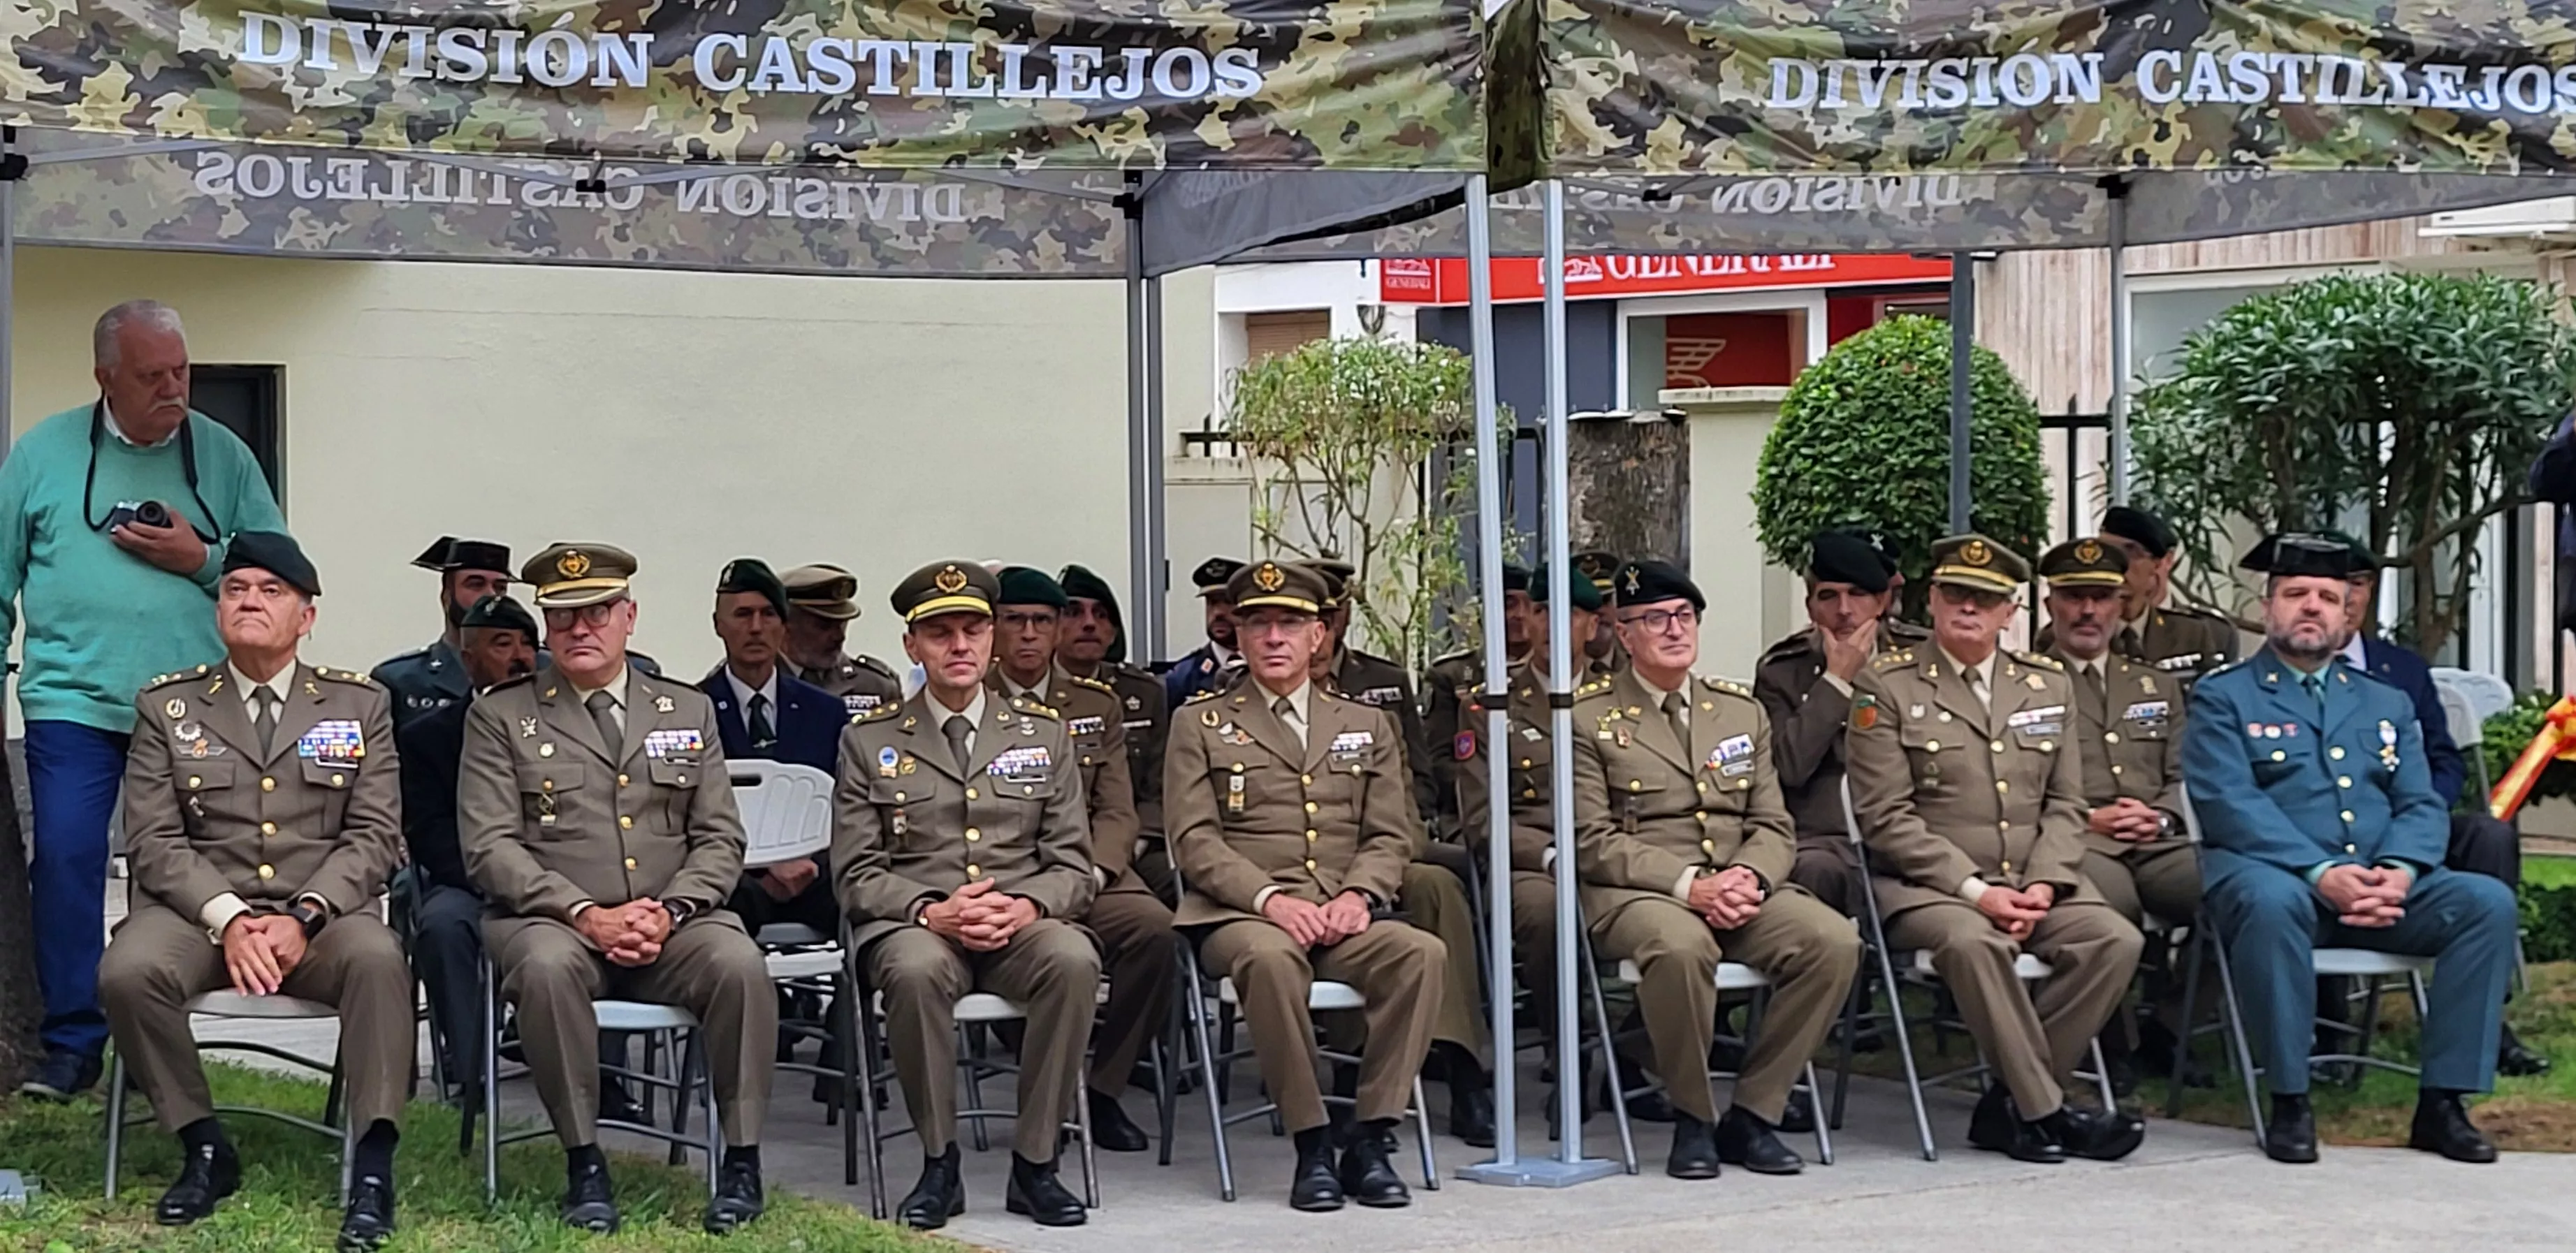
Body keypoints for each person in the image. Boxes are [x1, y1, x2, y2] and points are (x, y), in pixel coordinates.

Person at [3, 300, 286, 1100]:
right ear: (105, 379)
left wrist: (204, 558)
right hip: (72, 702)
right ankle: (71, 1042)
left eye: (182, 371)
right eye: (151, 375)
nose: (173, 388)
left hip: (194, 709)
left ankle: (149, 1031)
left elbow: (282, 564)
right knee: (64, 859)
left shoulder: (222, 455)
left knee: (181, 875)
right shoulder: (44, 454)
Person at [99, 532, 406, 1247]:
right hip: (199, 915)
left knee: (381, 961)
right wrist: (230, 918)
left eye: (272, 592)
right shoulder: (166, 708)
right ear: (218, 609)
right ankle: (204, 1145)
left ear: (307, 617)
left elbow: (375, 836)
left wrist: (304, 914)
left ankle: (374, 1163)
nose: (250, 602)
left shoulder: (360, 706)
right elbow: (152, 840)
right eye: (237, 589)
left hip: (322, 917)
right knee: (128, 970)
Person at [460, 544, 773, 1236]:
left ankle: (742, 1161)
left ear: (629, 617)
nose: (581, 628)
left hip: (674, 921)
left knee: (742, 965)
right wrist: (582, 913)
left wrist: (672, 909)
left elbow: (720, 838)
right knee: (544, 969)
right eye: (564, 615)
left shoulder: (685, 711)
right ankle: (585, 1161)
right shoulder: (502, 716)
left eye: (597, 611)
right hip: (552, 920)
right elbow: (489, 847)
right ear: (547, 626)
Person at [2183, 534, 2522, 1165]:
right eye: (2295, 595)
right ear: (2267, 608)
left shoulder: (2386, 700)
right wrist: (2322, 870)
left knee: (2485, 903)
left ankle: (2442, 1103)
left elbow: (2420, 801)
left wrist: (2399, 869)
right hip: (2274, 878)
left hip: (2377, 884)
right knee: (2270, 901)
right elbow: (2227, 801)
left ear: (2347, 615)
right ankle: (2290, 1099)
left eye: (2326, 598)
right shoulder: (2223, 695)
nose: (2310, 607)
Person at [1845, 534, 2147, 1164]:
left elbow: (2066, 804)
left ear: (2010, 612)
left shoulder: (2045, 683)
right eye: (1955, 594)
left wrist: (2043, 884)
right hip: (1930, 888)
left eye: (1985, 599)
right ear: (1932, 600)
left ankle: (2006, 1102)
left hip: (2034, 880)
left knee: (2114, 940)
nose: (1968, 608)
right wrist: (1978, 892)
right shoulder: (1887, 685)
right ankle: (2045, 1113)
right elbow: (1885, 818)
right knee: (1975, 941)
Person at [1571, 559, 1861, 1179]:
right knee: (1680, 950)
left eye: (1684, 616)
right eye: (1654, 619)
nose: (1675, 630)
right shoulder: (1584, 719)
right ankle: (1693, 1118)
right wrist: (1690, 886)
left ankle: (1754, 1114)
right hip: (1641, 892)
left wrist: (1750, 879)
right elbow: (1589, 840)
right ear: (1623, 635)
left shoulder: (1737, 711)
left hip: (1736, 882)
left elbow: (1773, 825)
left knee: (1833, 942)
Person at [1169, 559, 1443, 1212]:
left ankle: (1372, 1137)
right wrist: (1272, 901)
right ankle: (1311, 1141)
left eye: (1289, 623)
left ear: (1318, 635)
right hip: (1243, 914)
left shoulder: (1364, 723)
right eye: (1257, 623)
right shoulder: (1198, 724)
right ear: (1235, 633)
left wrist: (1358, 897)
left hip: (1341, 914)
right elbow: (1194, 841)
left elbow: (1391, 834)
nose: (1273, 638)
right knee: (1269, 962)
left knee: (1420, 954)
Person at [834, 561, 1098, 1229]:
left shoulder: (1042, 734)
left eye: (972, 630)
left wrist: (1028, 906)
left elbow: (1072, 862)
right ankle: (938, 1162)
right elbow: (857, 871)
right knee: (916, 970)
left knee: (1073, 961)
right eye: (940, 633)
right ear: (912, 646)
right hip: (918, 924)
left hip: (1020, 923)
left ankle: (1036, 1163)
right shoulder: (869, 742)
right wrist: (930, 910)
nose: (958, 646)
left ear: (992, 640)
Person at [2301, 534, 2548, 1076]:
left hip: (2407, 818)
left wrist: (2415, 816)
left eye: (2354, 585)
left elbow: (2443, 759)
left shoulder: (2403, 671)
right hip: (2324, 831)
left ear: (2363, 593)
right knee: (2330, 847)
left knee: (2488, 834)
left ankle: (2486, 1020)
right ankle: (2325, 1027)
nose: (2338, 598)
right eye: (2323, 587)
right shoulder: (2283, 669)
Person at [989, 566, 1172, 1153]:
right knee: (1017, 948)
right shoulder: (972, 699)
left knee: (1155, 933)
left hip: (1087, 867)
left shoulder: (1095, 704)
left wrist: (1090, 874)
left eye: (1043, 621)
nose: (1028, 634)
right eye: (1014, 621)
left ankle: (1103, 1089)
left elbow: (1118, 808)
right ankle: (1050, 1087)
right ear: (992, 629)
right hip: (1003, 875)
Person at [1307, 560, 1490, 1142]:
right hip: (1305, 863)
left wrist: (1404, 833)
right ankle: (1353, 1071)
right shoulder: (1231, 703)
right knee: (1336, 913)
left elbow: (1417, 771)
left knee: (1439, 887)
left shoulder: (1379, 682)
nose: (1317, 631)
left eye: (1326, 617)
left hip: (1387, 839)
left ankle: (1462, 1063)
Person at [399, 592, 540, 1099]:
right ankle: (469, 1070)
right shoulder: (428, 738)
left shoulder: (567, 728)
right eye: (504, 644)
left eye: (529, 644)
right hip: (471, 881)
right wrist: (497, 881)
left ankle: (607, 1080)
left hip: (557, 884)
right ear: (469, 658)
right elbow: (430, 833)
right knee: (441, 926)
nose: (521, 656)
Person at [1754, 529, 1924, 916]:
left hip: (1913, 825)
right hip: (1825, 836)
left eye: (1858, 594)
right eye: (1829, 596)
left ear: (1881, 601)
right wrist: (1836, 681)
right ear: (1810, 606)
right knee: (1811, 870)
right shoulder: (1783, 670)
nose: (1844, 610)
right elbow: (1788, 768)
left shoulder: (1919, 658)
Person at [2037, 539, 2198, 930]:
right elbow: (2011, 784)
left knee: (2236, 892)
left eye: (2103, 598)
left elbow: (2185, 773)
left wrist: (2161, 817)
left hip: (2158, 843)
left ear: (2120, 605)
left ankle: (2187, 994)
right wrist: (2088, 818)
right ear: (2049, 605)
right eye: (2075, 597)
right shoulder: (2026, 686)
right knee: (2112, 910)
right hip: (2079, 842)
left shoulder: (2156, 685)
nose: (2089, 611)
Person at [699, 559, 845, 937]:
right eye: (742, 615)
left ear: (784, 625)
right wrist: (765, 871)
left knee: (860, 898)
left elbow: (849, 805)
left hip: (815, 874)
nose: (756, 628)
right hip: (737, 879)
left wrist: (806, 859)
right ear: (718, 626)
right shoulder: (693, 712)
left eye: (768, 614)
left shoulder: (825, 712)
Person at [1056, 563, 1170, 850]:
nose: (1090, 624)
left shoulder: (1143, 693)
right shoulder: (1027, 693)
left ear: (1114, 632)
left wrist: (1140, 840)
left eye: (1102, 614)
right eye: (1073, 612)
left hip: (1132, 839)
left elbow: (1158, 787)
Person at [1423, 562, 1531, 835]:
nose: (1519, 615)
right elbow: (1440, 763)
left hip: (1543, 812)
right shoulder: (1453, 675)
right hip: (1468, 813)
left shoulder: (1557, 675)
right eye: (1508, 605)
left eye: (1530, 606)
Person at [373, 537, 514, 733]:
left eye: (500, 588)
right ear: (446, 596)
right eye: (475, 584)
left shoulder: (540, 668)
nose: (491, 596)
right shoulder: (400, 679)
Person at [2090, 506, 2239, 680]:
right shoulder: (2076, 631)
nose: (2116, 564)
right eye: (2105, 553)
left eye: (2130, 553)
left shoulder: (2201, 633)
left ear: (2160, 563)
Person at [778, 562, 903, 718]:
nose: (839, 636)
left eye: (842, 624)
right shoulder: (756, 681)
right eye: (824, 626)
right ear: (785, 624)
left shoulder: (874, 686)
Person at [1163, 556, 1247, 708]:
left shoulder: (1268, 665)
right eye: (1212, 603)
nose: (1217, 613)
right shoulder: (1183, 677)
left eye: (1228, 602)